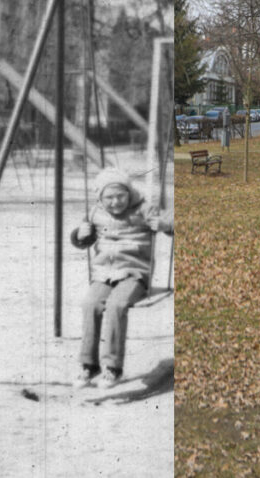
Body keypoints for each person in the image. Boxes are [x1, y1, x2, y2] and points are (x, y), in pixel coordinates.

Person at [71, 167, 172, 389]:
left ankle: (113, 368)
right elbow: (82, 240)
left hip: (134, 272)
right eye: (109, 197)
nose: (116, 202)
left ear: (129, 192)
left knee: (117, 305)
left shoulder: (144, 208)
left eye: (121, 196)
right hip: (104, 273)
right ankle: (89, 365)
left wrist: (166, 226)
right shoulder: (95, 212)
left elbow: (171, 222)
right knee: (90, 304)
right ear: (100, 197)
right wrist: (80, 235)